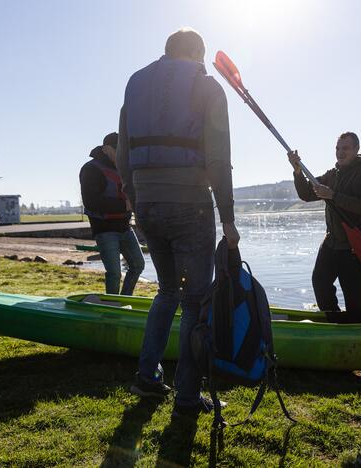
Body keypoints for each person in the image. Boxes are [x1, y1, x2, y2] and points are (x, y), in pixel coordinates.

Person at [116, 27, 240, 418]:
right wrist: (229, 219)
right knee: (195, 301)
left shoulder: (134, 83)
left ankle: (147, 376)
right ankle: (187, 396)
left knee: (167, 290)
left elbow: (122, 156)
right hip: (190, 204)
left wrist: (138, 201)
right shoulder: (207, 87)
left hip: (147, 203)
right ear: (198, 54)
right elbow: (218, 160)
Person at [288, 132, 361, 317]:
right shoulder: (332, 174)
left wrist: (333, 195)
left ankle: (358, 327)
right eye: (337, 148)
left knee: (358, 310)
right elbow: (307, 194)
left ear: (356, 150)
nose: (340, 152)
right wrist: (298, 171)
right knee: (320, 282)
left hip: (356, 248)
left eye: (345, 148)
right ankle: (333, 319)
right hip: (332, 243)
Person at [80, 132, 145, 295]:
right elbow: (91, 202)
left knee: (138, 265)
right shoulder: (90, 169)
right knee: (114, 273)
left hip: (125, 227)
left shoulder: (124, 170)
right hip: (104, 230)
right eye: (118, 151)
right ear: (105, 149)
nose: (123, 155)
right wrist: (125, 205)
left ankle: (125, 299)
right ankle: (112, 307)